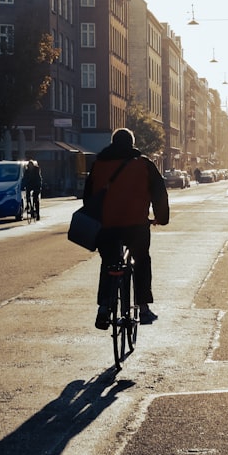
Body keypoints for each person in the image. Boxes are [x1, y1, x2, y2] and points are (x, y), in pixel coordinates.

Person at [84, 128, 170, 329]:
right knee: (141, 261)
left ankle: (104, 307)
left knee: (108, 263)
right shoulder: (144, 164)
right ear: (132, 143)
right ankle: (143, 308)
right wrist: (160, 218)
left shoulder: (98, 164)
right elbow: (159, 193)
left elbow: (88, 196)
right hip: (136, 225)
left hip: (107, 227)